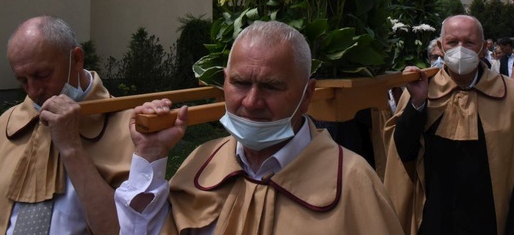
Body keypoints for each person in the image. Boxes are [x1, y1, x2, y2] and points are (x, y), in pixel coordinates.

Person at [115, 20, 403, 234]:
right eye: (240, 83)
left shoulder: (352, 181)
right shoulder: (202, 162)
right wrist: (150, 155)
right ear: (225, 81)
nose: (252, 102)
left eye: (271, 86)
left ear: (307, 95)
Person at [0, 16, 133, 234]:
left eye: (42, 75)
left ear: (77, 59)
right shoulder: (7, 125)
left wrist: (71, 149)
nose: (33, 91)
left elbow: (125, 228)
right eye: (23, 80)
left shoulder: (128, 127)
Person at [383, 15, 514, 234]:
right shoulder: (420, 91)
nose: (460, 49)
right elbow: (403, 155)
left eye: (469, 43)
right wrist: (417, 104)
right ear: (441, 47)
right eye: (452, 42)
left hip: (489, 215)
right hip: (435, 213)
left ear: (482, 49)